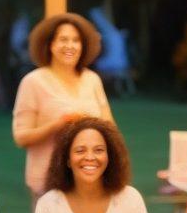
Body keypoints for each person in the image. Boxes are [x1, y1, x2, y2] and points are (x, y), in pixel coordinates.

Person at [13, 13, 113, 199]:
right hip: (48, 182)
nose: (70, 46)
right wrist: (58, 125)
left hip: (89, 181)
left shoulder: (92, 79)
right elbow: (21, 137)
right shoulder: (33, 81)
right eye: (63, 40)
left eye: (76, 40)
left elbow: (110, 129)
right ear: (50, 44)